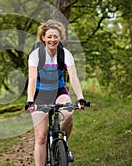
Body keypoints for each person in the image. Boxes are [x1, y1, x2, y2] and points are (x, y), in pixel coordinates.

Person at [25, 20, 87, 165]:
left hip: (59, 91)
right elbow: (32, 79)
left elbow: (73, 77)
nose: (53, 40)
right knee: (41, 137)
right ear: (43, 38)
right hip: (39, 94)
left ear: (60, 38)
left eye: (56, 37)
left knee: (68, 114)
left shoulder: (65, 54)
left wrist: (80, 97)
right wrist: (30, 99)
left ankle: (63, 145)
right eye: (49, 36)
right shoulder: (35, 55)